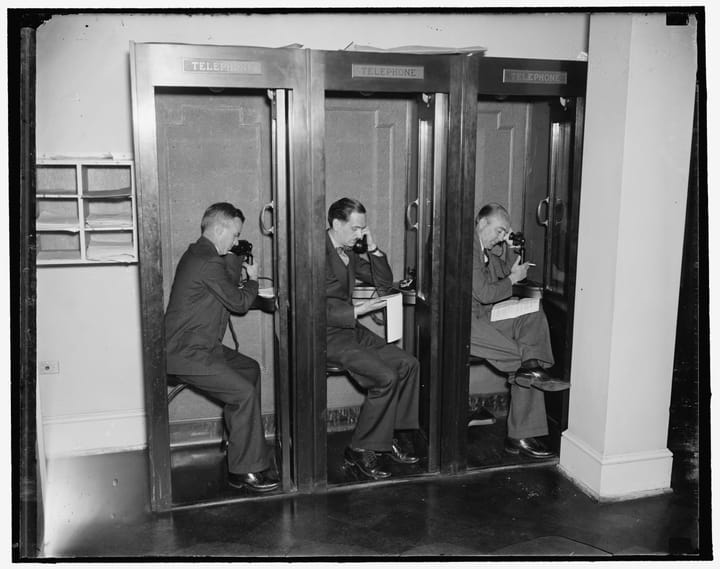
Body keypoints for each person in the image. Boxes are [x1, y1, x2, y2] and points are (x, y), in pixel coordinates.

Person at [164, 202, 279, 493]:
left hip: (201, 346)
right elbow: (239, 303)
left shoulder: (201, 253)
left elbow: (224, 284)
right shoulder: (207, 261)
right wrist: (253, 279)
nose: (237, 240)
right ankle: (245, 471)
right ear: (219, 228)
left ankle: (239, 446)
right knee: (242, 393)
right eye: (235, 234)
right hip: (184, 352)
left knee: (249, 368)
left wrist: (235, 257)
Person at [326, 197, 420, 480]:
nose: (359, 234)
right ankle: (359, 449)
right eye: (356, 228)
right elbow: (308, 304)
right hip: (325, 334)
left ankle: (387, 436)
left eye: (362, 229)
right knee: (384, 376)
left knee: (408, 364)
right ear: (335, 224)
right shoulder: (312, 251)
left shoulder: (350, 251)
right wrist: (355, 310)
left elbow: (383, 281)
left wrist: (374, 249)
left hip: (350, 330)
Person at [470, 203, 570, 459]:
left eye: (504, 232)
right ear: (482, 224)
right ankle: (520, 435)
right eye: (499, 231)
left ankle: (536, 366)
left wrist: (508, 246)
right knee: (522, 361)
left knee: (533, 313)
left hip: (484, 317)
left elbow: (503, 272)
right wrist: (512, 280)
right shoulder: (467, 247)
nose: (500, 236)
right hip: (465, 322)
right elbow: (484, 292)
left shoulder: (485, 248)